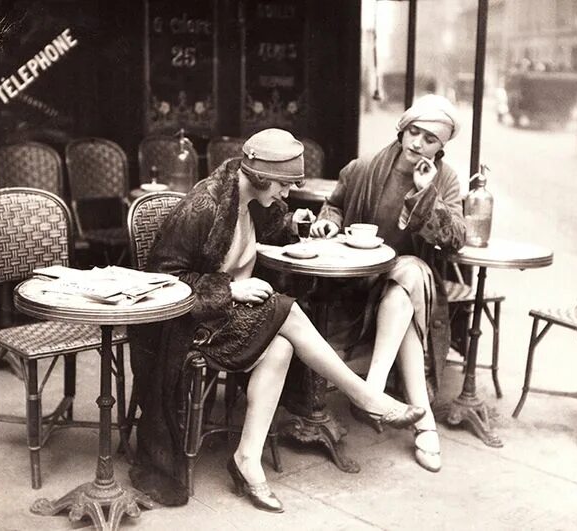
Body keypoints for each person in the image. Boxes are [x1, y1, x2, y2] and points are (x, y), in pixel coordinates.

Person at [128, 128, 425, 513]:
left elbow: (264, 231)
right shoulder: (203, 206)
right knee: (286, 309)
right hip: (189, 322)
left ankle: (247, 460)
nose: (286, 194)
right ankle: (365, 395)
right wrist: (231, 290)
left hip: (225, 315)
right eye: (283, 186)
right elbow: (164, 279)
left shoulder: (250, 196)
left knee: (283, 344)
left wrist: (293, 222)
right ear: (260, 175)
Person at [310, 94, 466, 473]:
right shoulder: (362, 168)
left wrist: (427, 194)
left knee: (410, 272)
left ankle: (373, 389)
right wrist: (328, 221)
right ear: (402, 129)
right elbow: (334, 205)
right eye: (414, 132)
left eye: (430, 139)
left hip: (409, 280)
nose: (418, 143)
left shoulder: (444, 179)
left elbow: (457, 239)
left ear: (441, 147)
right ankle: (424, 423)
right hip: (358, 284)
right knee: (404, 303)